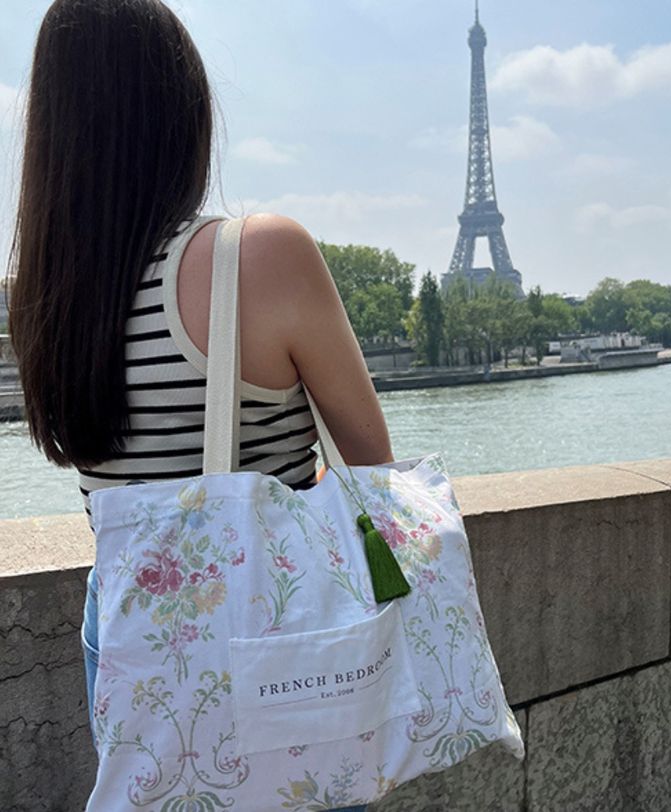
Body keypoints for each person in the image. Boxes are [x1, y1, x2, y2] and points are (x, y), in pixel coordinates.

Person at [7, 2, 393, 810]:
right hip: (272, 642)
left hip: (126, 636)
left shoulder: (44, 296)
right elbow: (371, 465)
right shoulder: (259, 257)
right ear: (182, 110)